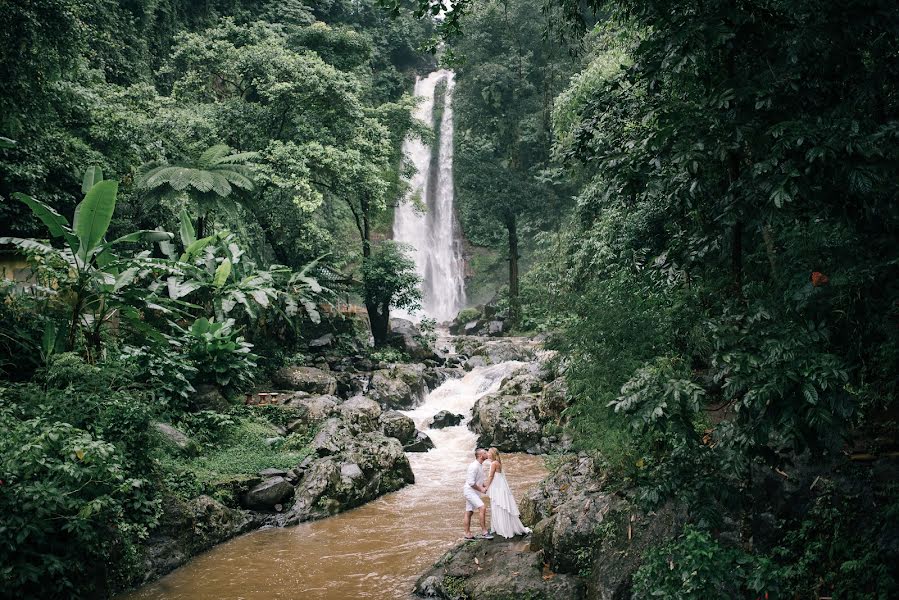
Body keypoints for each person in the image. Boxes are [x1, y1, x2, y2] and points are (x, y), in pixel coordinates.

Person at [484, 447, 531, 538]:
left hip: (497, 487)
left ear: (493, 454)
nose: (487, 454)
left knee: (499, 505)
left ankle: (502, 528)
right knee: (500, 505)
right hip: (499, 486)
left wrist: (486, 487)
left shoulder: (493, 463)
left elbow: (491, 477)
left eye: (489, 453)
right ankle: (503, 527)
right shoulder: (497, 462)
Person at [463, 448, 494, 540]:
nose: (487, 454)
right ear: (480, 456)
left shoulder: (479, 465)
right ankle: (484, 532)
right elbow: (471, 482)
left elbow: (480, 481)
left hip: (474, 492)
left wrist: (488, 485)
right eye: (485, 453)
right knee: (482, 507)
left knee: (469, 512)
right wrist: (481, 489)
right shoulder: (474, 466)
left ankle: (467, 534)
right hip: (470, 491)